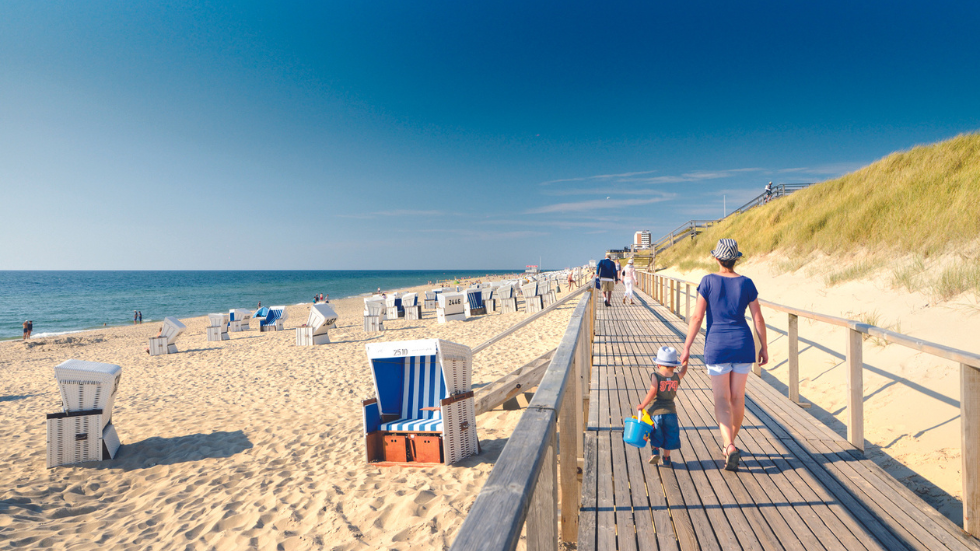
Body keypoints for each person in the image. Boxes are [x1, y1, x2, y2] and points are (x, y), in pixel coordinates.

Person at [679, 238, 768, 471]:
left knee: (721, 398)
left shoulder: (708, 281)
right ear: (736, 258)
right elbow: (758, 318)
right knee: (738, 397)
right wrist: (764, 346)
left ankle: (728, 446)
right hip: (743, 343)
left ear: (716, 258)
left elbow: (697, 317)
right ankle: (732, 443)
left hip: (717, 344)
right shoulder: (747, 283)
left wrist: (687, 346)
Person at [638, 346, 688, 465]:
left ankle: (655, 453)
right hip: (671, 413)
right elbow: (683, 372)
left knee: (656, 433)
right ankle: (666, 458)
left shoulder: (656, 376)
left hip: (655, 413)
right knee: (670, 434)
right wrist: (685, 361)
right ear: (675, 366)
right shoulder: (676, 377)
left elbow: (653, 391)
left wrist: (642, 405)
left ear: (658, 365)